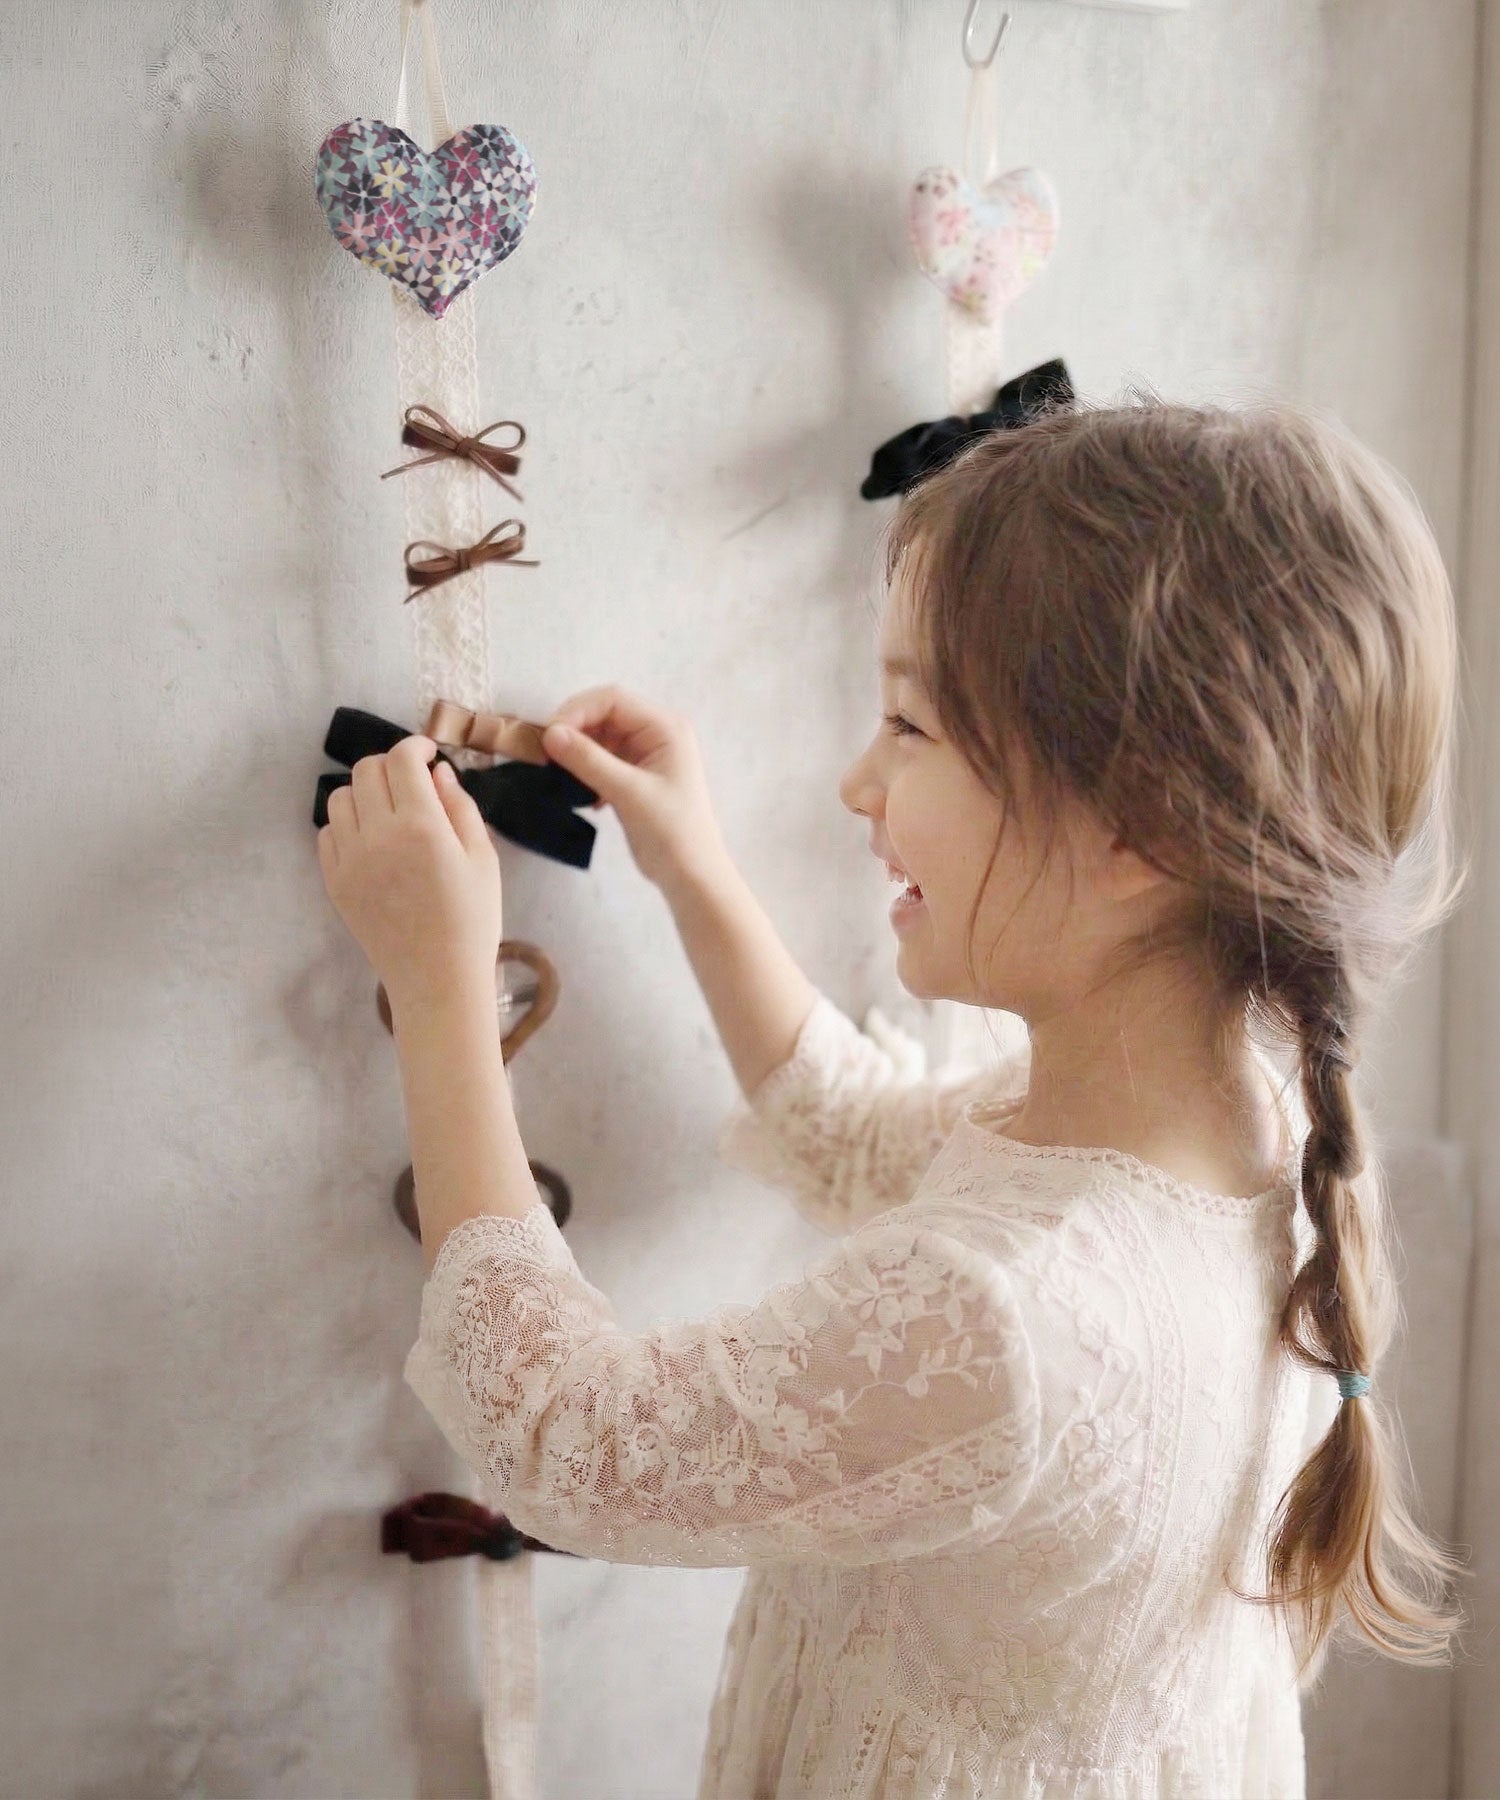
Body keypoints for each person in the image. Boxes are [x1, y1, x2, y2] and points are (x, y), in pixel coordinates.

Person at [401, 399, 1468, 1798]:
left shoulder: (1008, 1310)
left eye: (909, 724)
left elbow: (563, 1437)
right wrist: (690, 863)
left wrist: (441, 985)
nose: (858, 781)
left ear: (1139, 826)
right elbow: (852, 1137)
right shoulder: (1250, 1125)